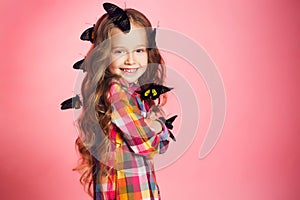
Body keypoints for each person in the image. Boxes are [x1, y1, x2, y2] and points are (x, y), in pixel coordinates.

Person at [73, 3, 173, 200]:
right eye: (119, 51)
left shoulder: (130, 92)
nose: (131, 60)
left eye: (139, 51)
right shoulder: (118, 93)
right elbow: (148, 144)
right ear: (103, 54)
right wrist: (160, 129)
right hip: (128, 193)